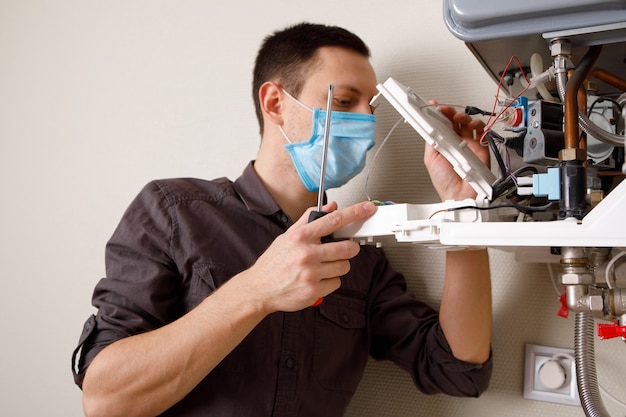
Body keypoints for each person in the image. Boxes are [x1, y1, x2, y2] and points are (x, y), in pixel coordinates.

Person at [72, 22, 492, 417]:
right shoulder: (173, 210)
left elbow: (458, 369)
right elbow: (107, 399)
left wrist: (464, 210)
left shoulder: (360, 257)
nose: (364, 121)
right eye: (344, 102)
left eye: (371, 109)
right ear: (275, 103)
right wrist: (257, 290)